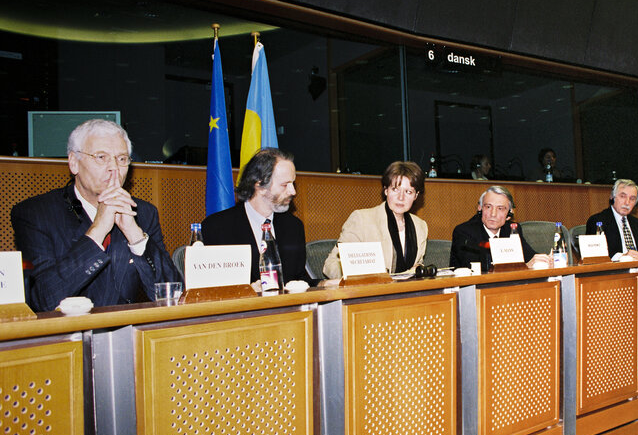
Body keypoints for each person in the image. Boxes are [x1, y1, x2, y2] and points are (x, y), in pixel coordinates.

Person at [11, 119, 179, 312]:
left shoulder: (143, 212)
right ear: (74, 163)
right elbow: (44, 299)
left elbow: (173, 295)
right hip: (68, 336)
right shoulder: (36, 214)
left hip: (129, 333)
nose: (114, 168)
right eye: (101, 157)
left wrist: (135, 236)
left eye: (122, 159)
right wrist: (97, 231)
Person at [201, 148, 312, 284]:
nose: (293, 191)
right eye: (285, 185)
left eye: (293, 183)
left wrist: (324, 284)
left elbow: (298, 280)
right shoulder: (216, 227)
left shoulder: (293, 227)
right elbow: (209, 287)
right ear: (259, 185)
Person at [323, 161, 428, 279]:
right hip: (369, 293)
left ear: (416, 195)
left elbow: (416, 266)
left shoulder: (420, 226)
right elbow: (331, 265)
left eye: (408, 192)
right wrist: (360, 278)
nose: (401, 197)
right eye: (395, 189)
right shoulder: (362, 219)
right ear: (386, 190)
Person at [450, 185, 552, 271]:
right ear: (480, 208)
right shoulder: (464, 232)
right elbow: (479, 269)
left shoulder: (511, 230)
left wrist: (544, 260)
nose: (493, 214)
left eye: (500, 208)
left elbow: (529, 256)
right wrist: (524, 267)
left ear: (509, 213)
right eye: (488, 207)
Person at [585, 179, 638, 260]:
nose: (627, 202)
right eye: (622, 196)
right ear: (612, 197)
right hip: (614, 270)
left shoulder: (637, 223)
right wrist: (622, 257)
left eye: (632, 199)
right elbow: (595, 253)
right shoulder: (598, 221)